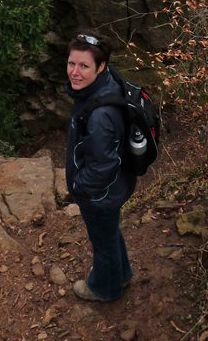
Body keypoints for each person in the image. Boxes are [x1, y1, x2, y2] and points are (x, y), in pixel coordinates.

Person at [65, 30, 136, 302]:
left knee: (102, 241)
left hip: (101, 193)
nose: (75, 72)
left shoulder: (100, 116)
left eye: (84, 66)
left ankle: (104, 288)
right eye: (72, 63)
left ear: (101, 67)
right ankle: (123, 273)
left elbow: (103, 166)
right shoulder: (107, 84)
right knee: (109, 232)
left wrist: (80, 188)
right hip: (116, 186)